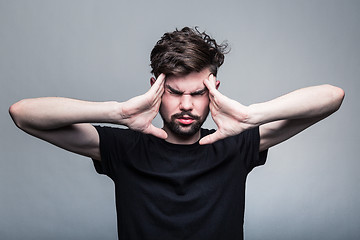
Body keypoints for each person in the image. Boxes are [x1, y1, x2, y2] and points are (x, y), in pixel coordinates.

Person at [9, 27, 344, 240]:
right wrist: (118, 113)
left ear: (214, 90)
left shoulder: (236, 143)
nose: (186, 105)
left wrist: (249, 115)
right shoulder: (123, 146)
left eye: (198, 93)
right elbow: (24, 115)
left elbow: (332, 97)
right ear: (155, 88)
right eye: (173, 91)